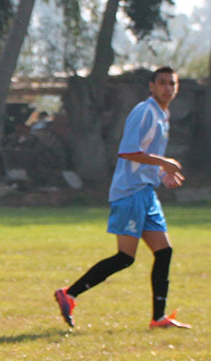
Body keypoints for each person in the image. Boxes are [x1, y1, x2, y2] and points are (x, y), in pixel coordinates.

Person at [54, 66, 190, 329]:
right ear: (151, 86)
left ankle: (158, 318)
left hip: (146, 192)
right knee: (125, 257)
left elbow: (146, 158)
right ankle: (68, 294)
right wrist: (165, 162)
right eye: (162, 83)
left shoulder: (163, 114)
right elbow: (128, 151)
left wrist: (163, 174)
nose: (167, 88)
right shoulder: (144, 111)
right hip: (130, 192)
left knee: (165, 252)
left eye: (171, 84)